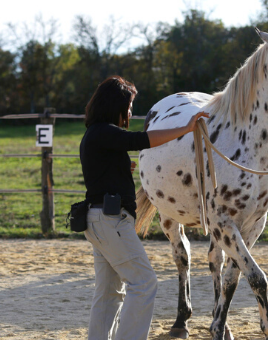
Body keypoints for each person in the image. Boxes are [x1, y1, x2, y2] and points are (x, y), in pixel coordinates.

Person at [79, 75, 208, 340]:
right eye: (127, 106)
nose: (129, 112)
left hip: (99, 220)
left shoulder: (95, 134)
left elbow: (99, 173)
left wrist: (120, 169)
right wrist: (186, 128)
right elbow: (142, 139)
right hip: (110, 221)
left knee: (108, 292)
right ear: (114, 105)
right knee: (144, 283)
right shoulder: (105, 132)